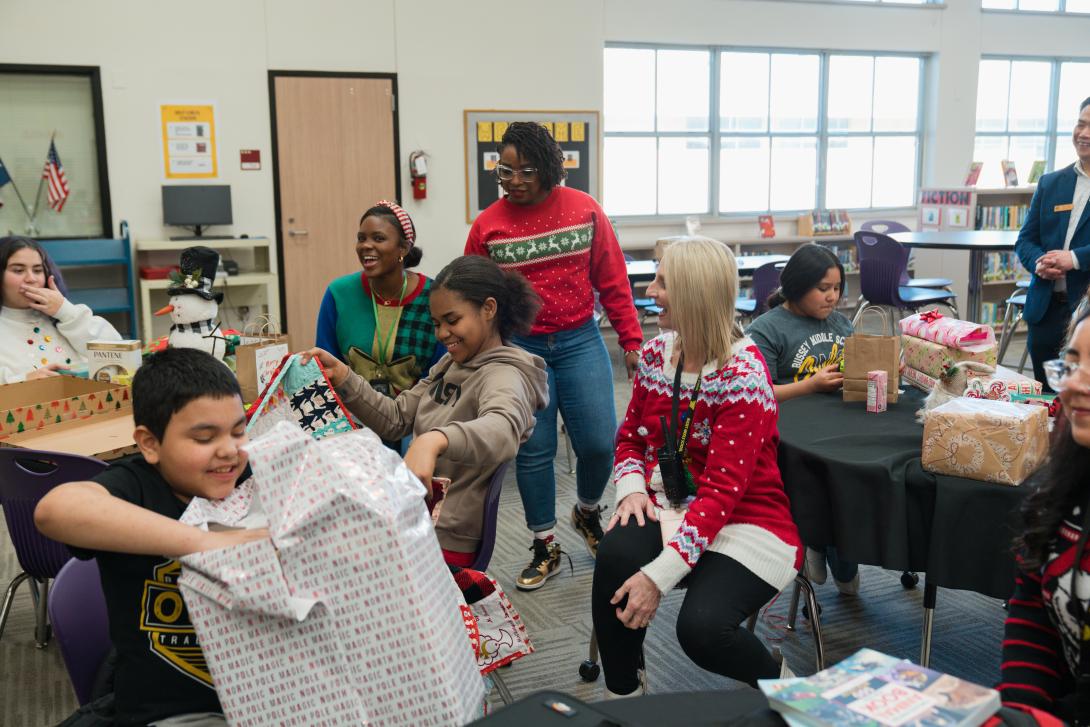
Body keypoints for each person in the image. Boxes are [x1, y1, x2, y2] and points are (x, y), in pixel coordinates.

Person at [592, 237, 801, 698]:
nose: (651, 290)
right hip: (670, 501)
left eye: (663, 282)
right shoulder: (654, 355)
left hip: (746, 519)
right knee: (614, 557)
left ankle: (784, 686)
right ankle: (624, 696)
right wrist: (630, 489)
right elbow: (629, 439)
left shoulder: (743, 375)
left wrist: (657, 577)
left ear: (693, 293)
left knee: (702, 630)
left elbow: (721, 496)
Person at [35, 348, 268, 726]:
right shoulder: (136, 485)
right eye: (205, 438)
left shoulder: (254, 477)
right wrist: (205, 542)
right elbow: (55, 509)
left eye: (239, 431)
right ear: (150, 444)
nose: (229, 450)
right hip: (172, 712)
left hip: (268, 697)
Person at [465, 121, 642, 591]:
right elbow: (471, 291)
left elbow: (613, 279)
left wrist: (631, 340)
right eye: (506, 170)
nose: (515, 179)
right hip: (520, 349)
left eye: (526, 170)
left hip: (580, 339)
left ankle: (586, 511)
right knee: (534, 450)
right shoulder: (488, 224)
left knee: (601, 442)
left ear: (548, 168)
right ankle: (544, 543)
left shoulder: (584, 210)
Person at [302, 255, 549, 566]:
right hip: (416, 519)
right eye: (436, 324)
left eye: (452, 320)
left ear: (488, 309)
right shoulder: (451, 364)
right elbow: (396, 419)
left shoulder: (504, 376)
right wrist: (345, 378)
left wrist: (433, 440)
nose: (442, 334)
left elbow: (502, 430)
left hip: (441, 538)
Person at [746, 243, 860, 595]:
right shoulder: (767, 328)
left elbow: (855, 370)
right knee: (819, 481)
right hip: (791, 433)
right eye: (823, 289)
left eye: (837, 288)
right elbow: (758, 392)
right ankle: (813, 537)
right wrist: (810, 386)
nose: (833, 298)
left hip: (838, 425)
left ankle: (837, 549)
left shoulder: (840, 323)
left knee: (851, 479)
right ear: (797, 286)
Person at [1000, 307, 1090, 724]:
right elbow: (1035, 611)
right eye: (1071, 365)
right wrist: (1022, 713)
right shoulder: (1066, 485)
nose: (1072, 384)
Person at [315, 200, 439, 401]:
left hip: (417, 417)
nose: (366, 246)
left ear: (404, 248)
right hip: (353, 415)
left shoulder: (434, 296)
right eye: (361, 238)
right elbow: (325, 366)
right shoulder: (339, 293)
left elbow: (440, 373)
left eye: (379, 238)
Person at [1015, 97, 1090, 390]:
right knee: (1044, 397)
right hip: (1046, 307)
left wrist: (1074, 259)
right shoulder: (1051, 183)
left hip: (1085, 309)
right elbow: (1026, 240)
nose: (1083, 134)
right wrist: (1039, 262)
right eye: (1080, 124)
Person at [0, 235, 121, 384]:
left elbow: (118, 352)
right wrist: (23, 381)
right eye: (18, 270)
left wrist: (64, 310)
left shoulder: (63, 315)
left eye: (38, 270)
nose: (31, 279)